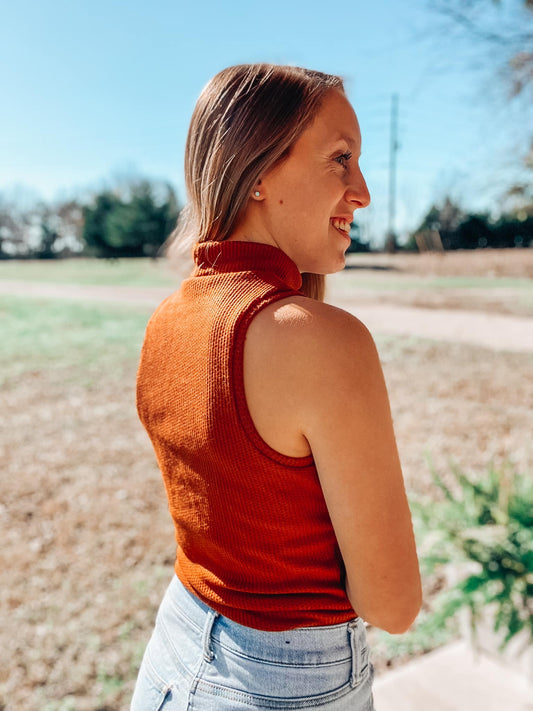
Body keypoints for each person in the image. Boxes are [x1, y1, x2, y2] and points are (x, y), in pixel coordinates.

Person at [131, 63, 422, 710]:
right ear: (258, 171)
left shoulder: (165, 320)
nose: (363, 193)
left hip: (176, 648)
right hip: (283, 683)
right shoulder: (318, 339)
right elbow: (392, 603)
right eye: (341, 159)